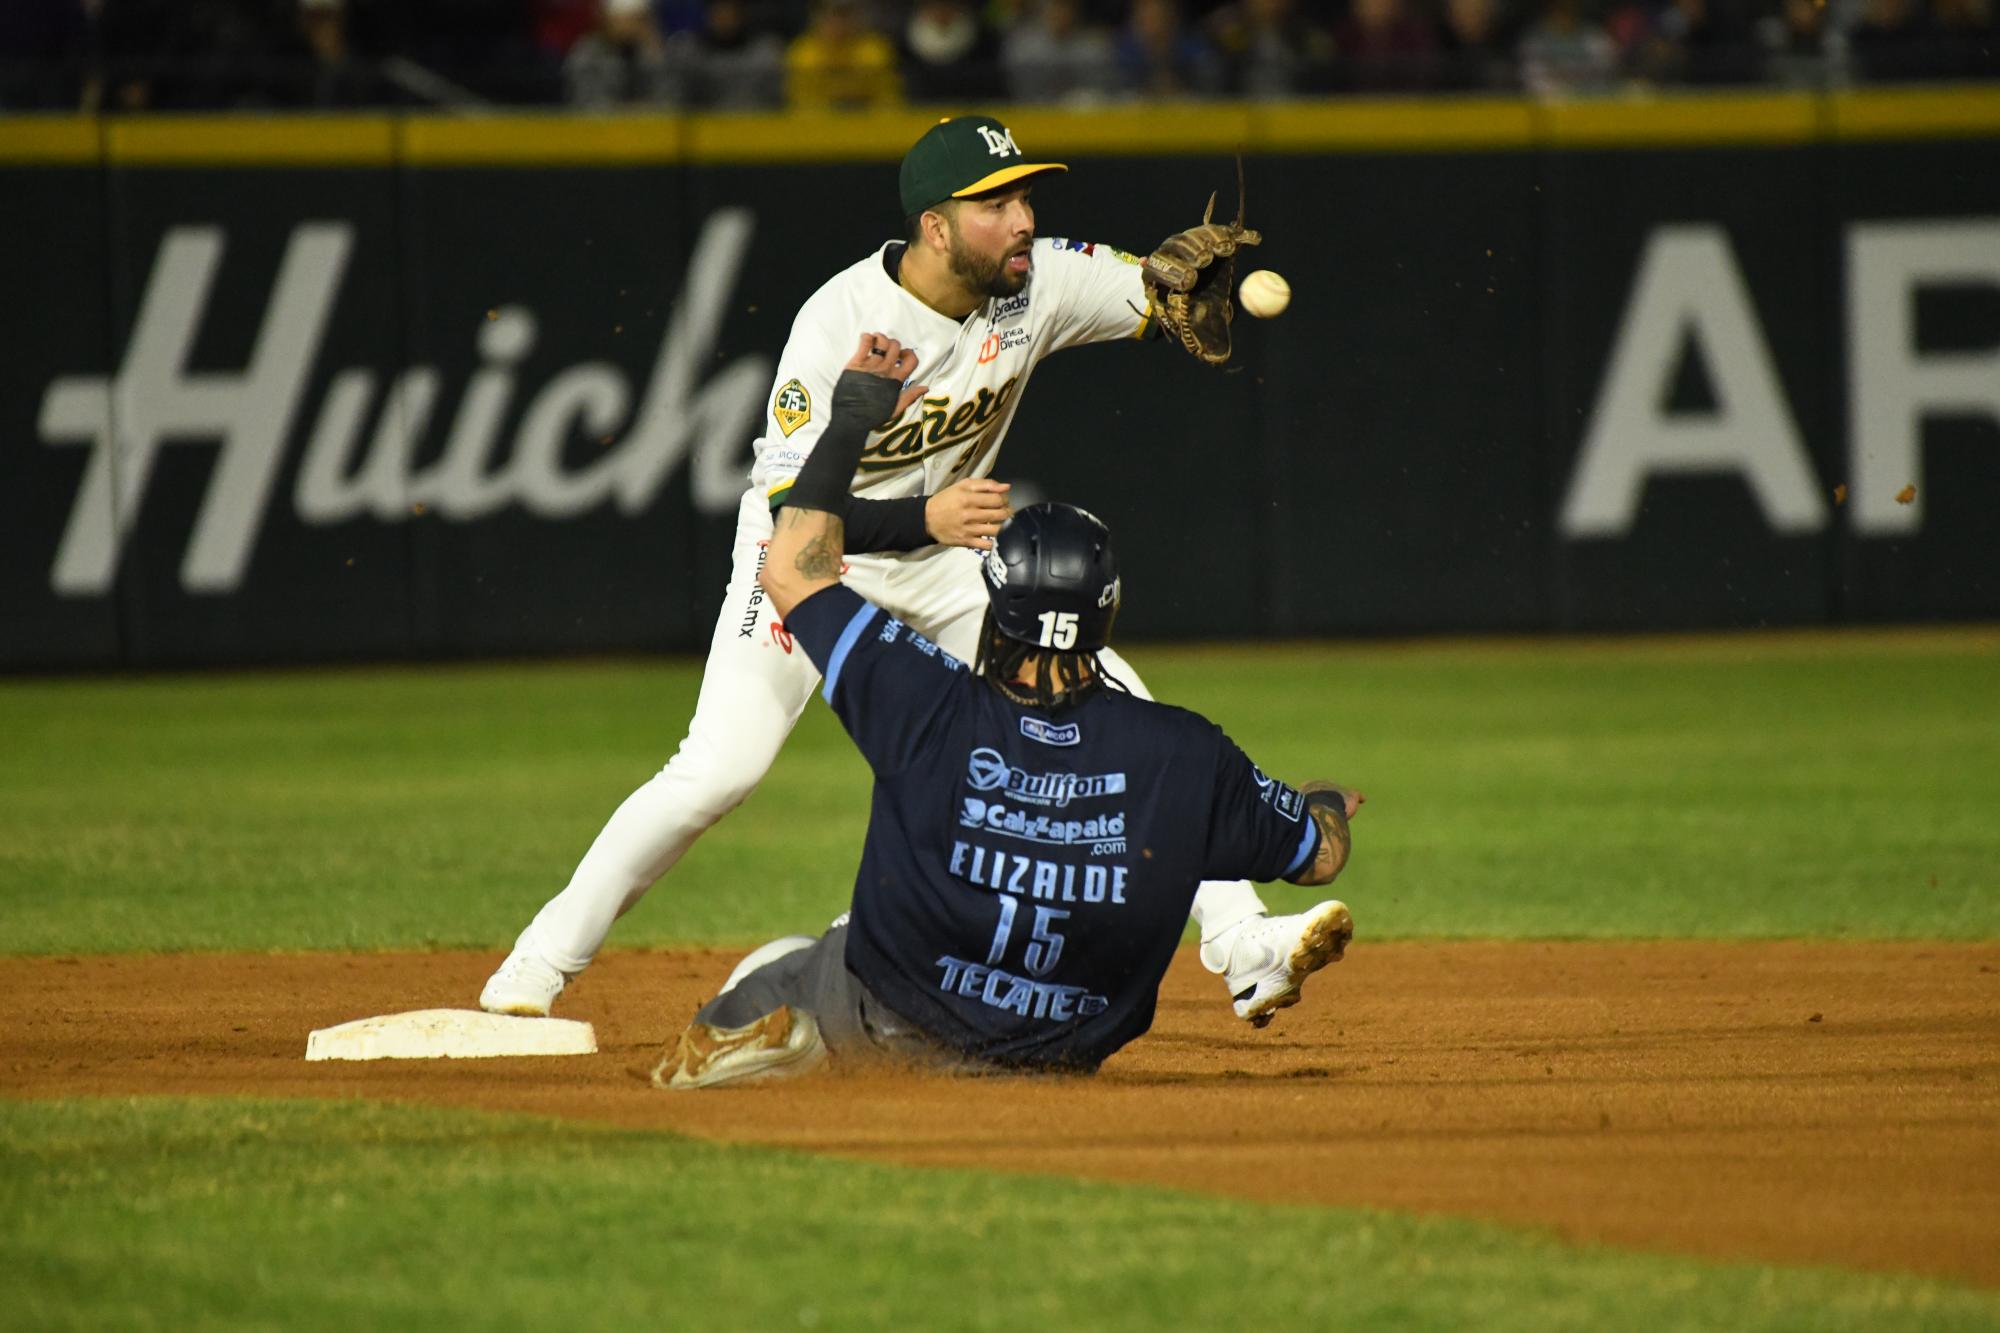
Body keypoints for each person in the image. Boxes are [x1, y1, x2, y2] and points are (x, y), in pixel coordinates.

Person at [481, 113, 1334, 1031]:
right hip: (810, 559)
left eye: (1024, 197)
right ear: (935, 227)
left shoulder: (1037, 280)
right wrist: (922, 516)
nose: (1022, 220)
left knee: (1108, 702)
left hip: (941, 561)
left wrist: (1180, 301)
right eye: (995, 204)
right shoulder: (839, 319)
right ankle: (533, 968)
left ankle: (1246, 946)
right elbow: (787, 517)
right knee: (718, 769)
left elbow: (1154, 294)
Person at [653, 333, 1365, 1089]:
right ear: (1108, 613)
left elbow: (792, 563)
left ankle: (774, 1036)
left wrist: (852, 421)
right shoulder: (1185, 751)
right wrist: (1325, 803)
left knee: (778, 968)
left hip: (896, 1017)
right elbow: (1320, 856)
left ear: (995, 601)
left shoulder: (919, 694)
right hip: (1062, 1054)